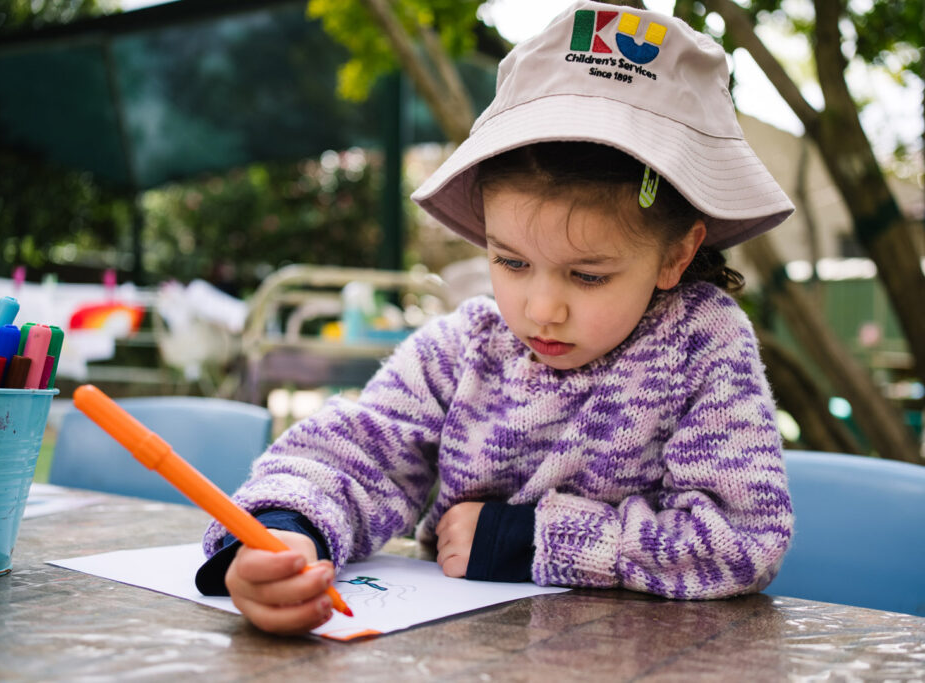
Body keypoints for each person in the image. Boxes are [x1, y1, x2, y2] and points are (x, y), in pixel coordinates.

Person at [196, 0, 796, 635]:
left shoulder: (703, 347)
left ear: (675, 254)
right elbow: (353, 454)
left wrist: (533, 538)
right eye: (510, 262)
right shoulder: (464, 348)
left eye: (588, 275)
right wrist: (283, 536)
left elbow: (744, 539)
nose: (541, 310)